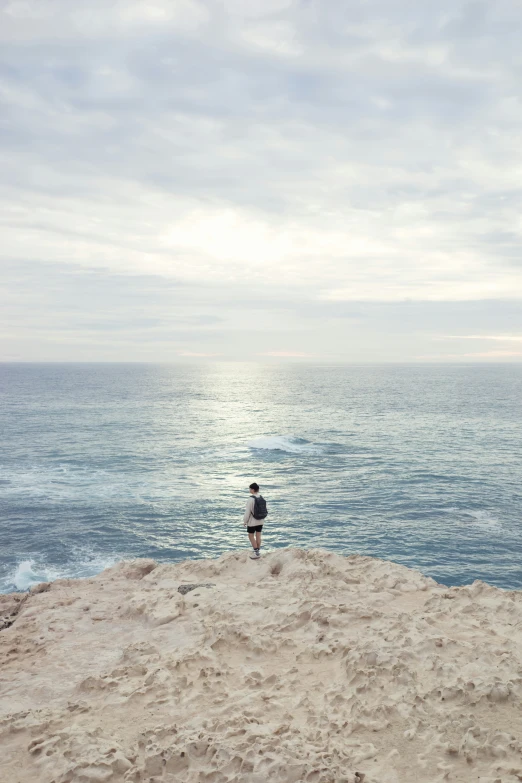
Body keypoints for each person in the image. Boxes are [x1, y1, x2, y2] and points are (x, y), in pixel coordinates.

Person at [243, 482, 267, 559]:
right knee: (258, 535)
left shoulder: (251, 499)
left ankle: (256, 552)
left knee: (250, 536)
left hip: (252, 521)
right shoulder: (261, 497)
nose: (249, 490)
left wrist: (245, 521)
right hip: (261, 520)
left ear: (253, 489)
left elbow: (248, 512)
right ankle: (258, 551)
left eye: (250, 489)